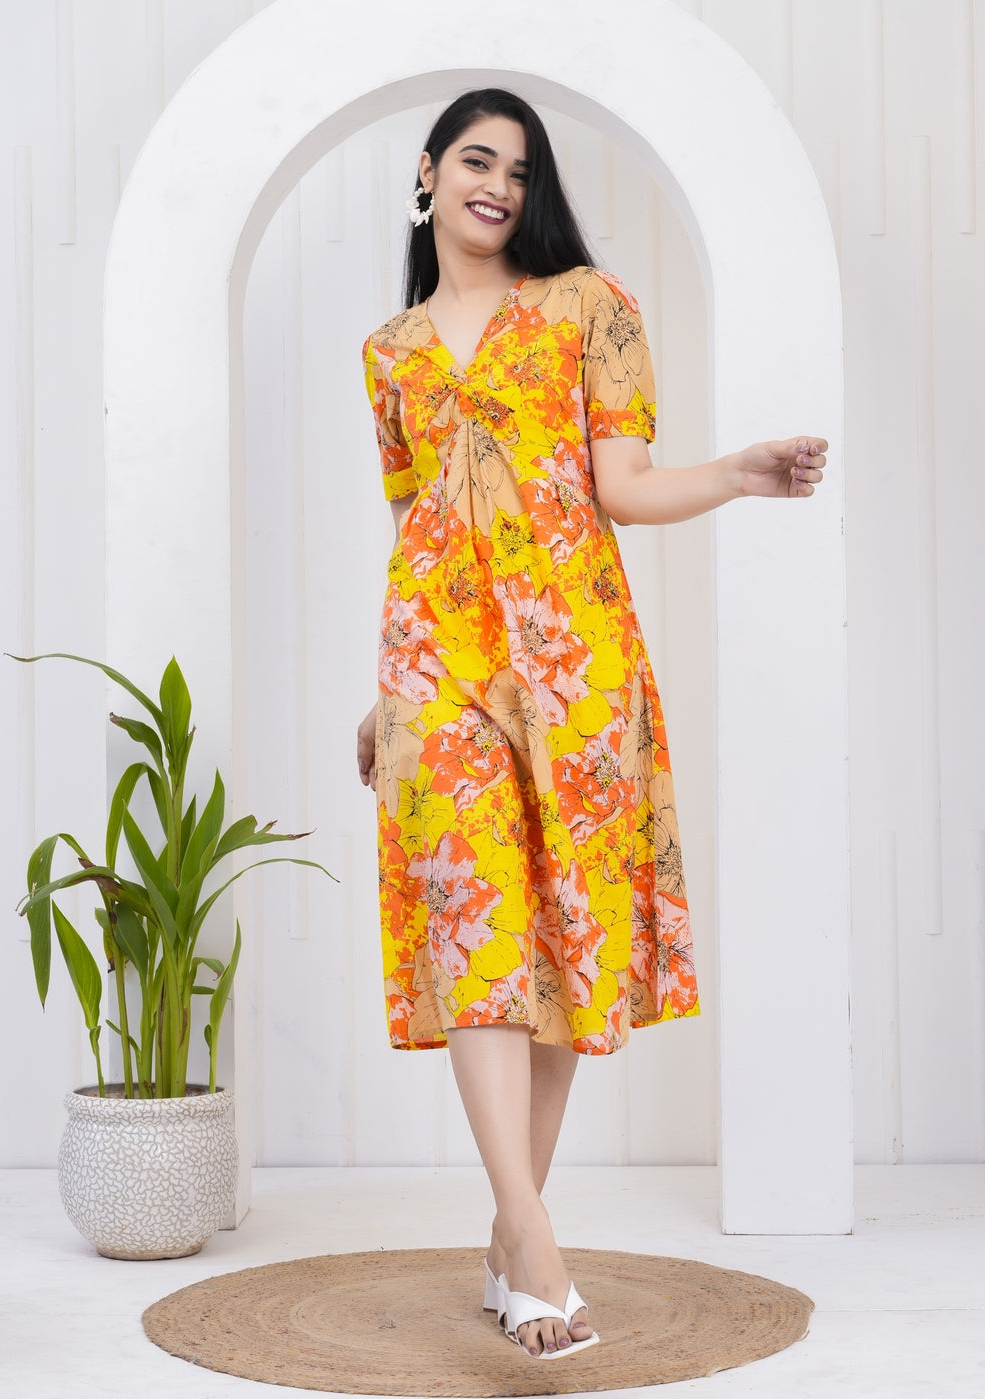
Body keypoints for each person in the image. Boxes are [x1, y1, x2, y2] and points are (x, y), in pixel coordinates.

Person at [355, 88, 826, 1360]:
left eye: (520, 170)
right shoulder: (389, 351)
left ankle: (507, 1246)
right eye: (477, 160)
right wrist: (382, 691)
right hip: (434, 670)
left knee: (558, 944)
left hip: (574, 666)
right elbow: (415, 526)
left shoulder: (586, 306)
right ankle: (533, 1235)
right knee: (478, 937)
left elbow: (620, 484)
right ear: (428, 172)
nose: (498, 186)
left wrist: (734, 474)